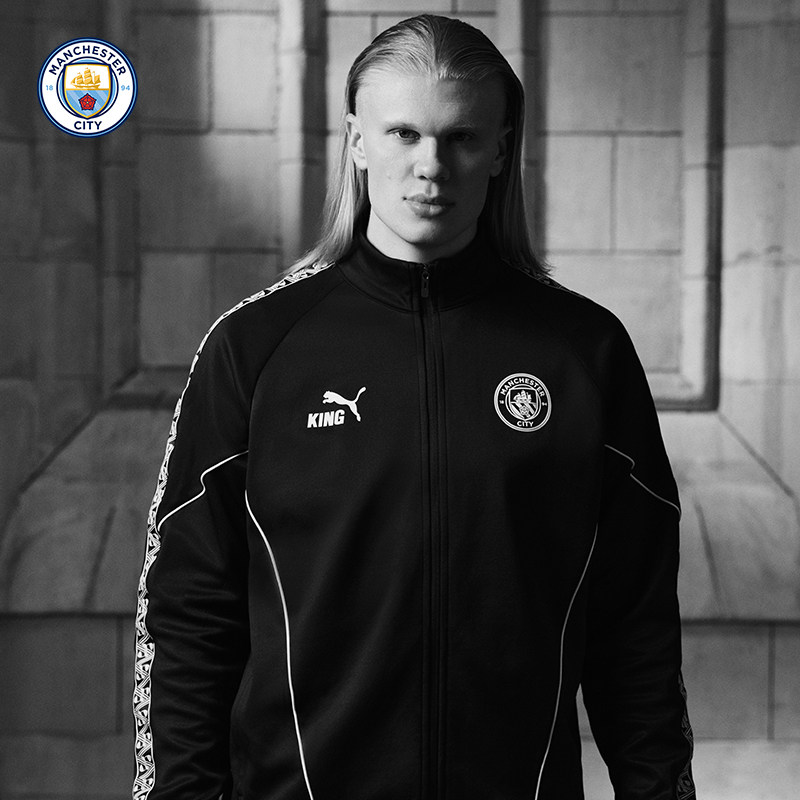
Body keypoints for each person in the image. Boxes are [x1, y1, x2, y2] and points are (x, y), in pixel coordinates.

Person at [133, 14, 696, 800]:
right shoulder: (253, 349)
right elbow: (189, 617)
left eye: (461, 137)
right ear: (357, 141)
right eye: (403, 133)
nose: (431, 166)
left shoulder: (584, 353)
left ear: (500, 149)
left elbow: (635, 626)